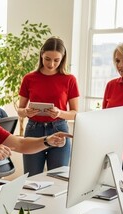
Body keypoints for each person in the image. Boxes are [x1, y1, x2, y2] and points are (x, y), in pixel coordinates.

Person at [17, 37, 79, 176]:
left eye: (56, 60)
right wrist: (26, 112)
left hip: (59, 130)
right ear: (41, 55)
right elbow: (20, 111)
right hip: (33, 130)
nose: (51, 64)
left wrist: (59, 113)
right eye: (47, 59)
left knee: (57, 177)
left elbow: (75, 113)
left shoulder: (69, 79)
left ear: (62, 58)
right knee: (31, 178)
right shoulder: (29, 78)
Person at [103, 40, 123, 173]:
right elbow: (103, 119)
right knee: (109, 193)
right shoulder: (111, 85)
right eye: (117, 61)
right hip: (113, 155)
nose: (120, 65)